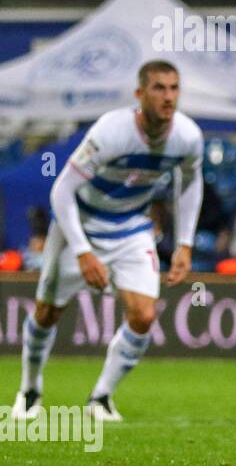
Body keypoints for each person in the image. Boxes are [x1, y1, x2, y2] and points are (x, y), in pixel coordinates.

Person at [14, 60, 203, 422]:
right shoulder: (111, 131)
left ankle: (100, 397)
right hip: (80, 225)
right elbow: (62, 190)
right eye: (159, 88)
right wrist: (84, 253)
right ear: (139, 94)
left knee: (144, 314)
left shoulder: (188, 137)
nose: (168, 97)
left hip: (131, 227)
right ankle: (30, 389)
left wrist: (185, 243)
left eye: (174, 88)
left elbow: (191, 181)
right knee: (47, 312)